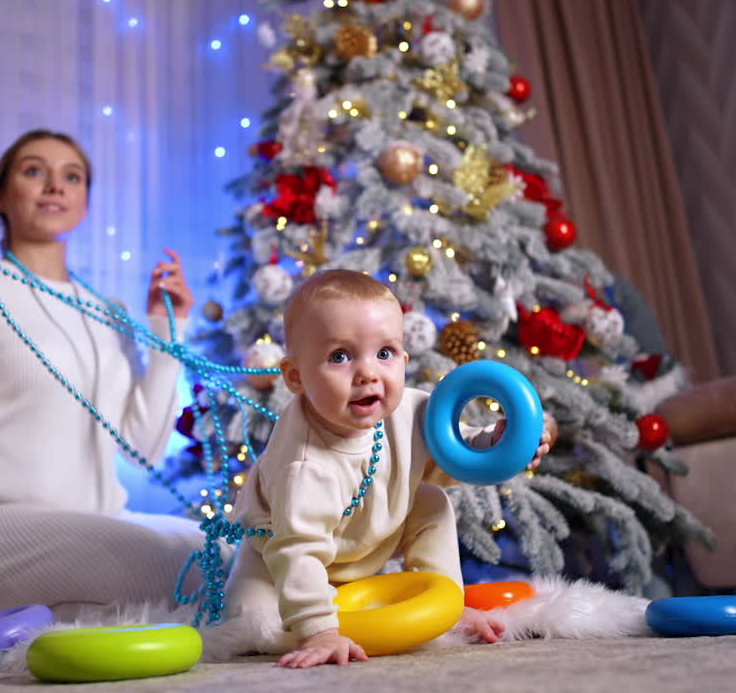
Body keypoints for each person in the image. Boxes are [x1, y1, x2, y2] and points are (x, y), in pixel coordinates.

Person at [0, 129, 204, 623]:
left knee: (225, 553)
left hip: (95, 527)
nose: (54, 186)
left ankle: (59, 620)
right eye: (33, 170)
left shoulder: (108, 311)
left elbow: (143, 449)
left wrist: (166, 336)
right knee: (187, 565)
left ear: (84, 202)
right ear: (1, 196)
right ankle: (68, 615)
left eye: (72, 176)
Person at [225, 269, 557, 668]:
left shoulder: (410, 410)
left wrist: (501, 441)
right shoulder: (305, 464)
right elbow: (296, 551)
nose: (368, 373)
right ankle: (307, 617)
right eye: (340, 357)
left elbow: (456, 450)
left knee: (430, 502)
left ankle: (445, 599)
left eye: (384, 353)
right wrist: (320, 631)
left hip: (359, 553)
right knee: (254, 627)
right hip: (277, 562)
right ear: (296, 377)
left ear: (403, 358)